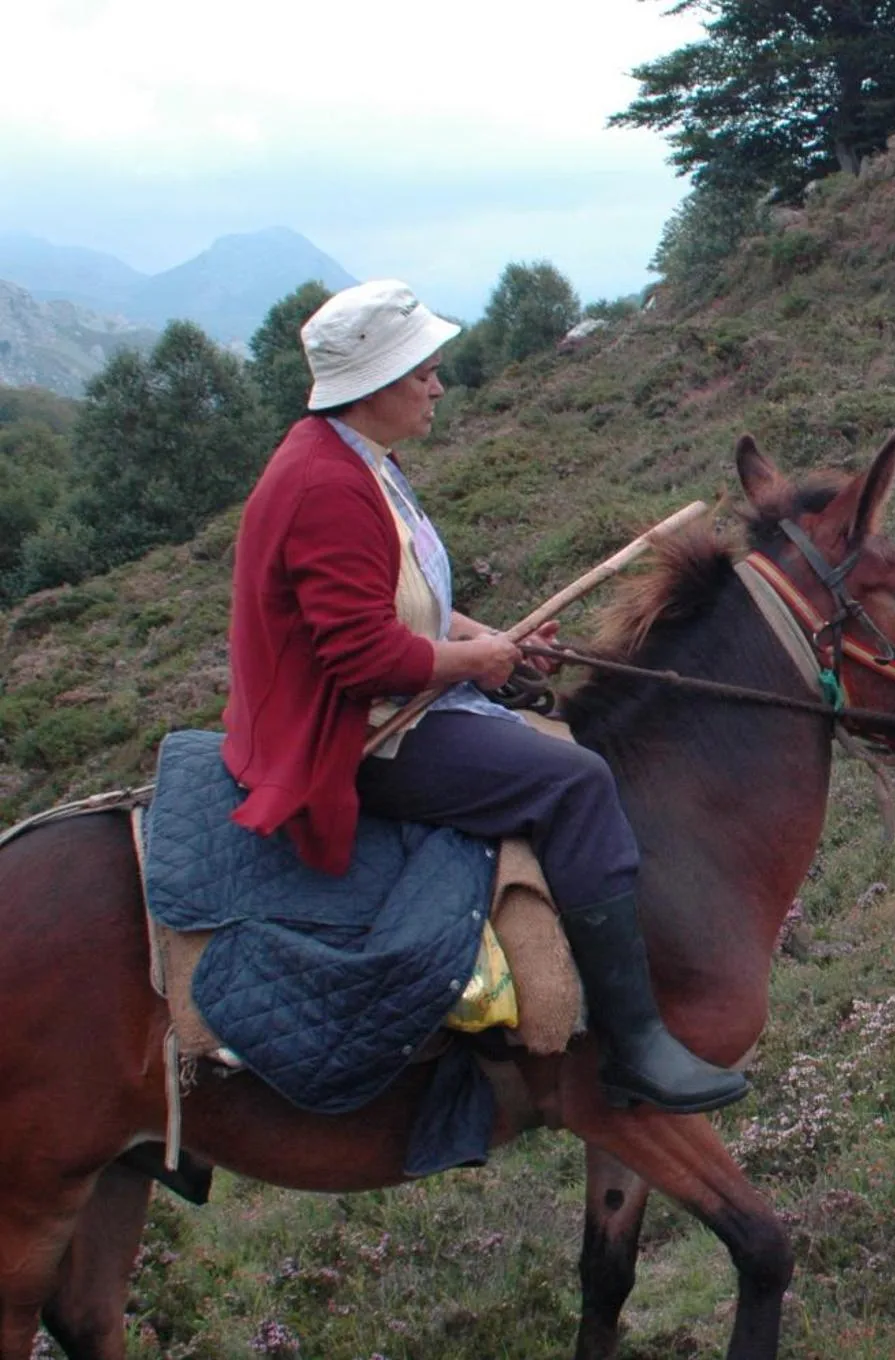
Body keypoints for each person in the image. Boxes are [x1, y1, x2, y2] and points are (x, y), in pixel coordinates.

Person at [221, 278, 747, 1115]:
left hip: (388, 703)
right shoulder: (329, 488)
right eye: (421, 370)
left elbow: (404, 600)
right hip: (358, 733)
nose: (437, 383)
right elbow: (362, 658)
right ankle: (636, 1045)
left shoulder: (356, 462)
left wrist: (486, 637)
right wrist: (473, 663)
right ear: (374, 385)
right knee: (574, 783)